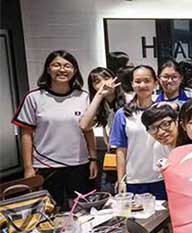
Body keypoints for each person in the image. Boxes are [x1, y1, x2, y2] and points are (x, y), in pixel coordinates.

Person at [12, 50, 98, 210]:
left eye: (67, 66)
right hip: (46, 166)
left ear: (75, 70)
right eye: (56, 65)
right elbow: (26, 134)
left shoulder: (83, 97)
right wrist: (28, 168)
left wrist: (93, 159)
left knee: (82, 211)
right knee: (50, 211)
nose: (62, 70)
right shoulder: (34, 98)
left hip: (79, 164)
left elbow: (88, 131)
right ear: (48, 69)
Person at [109, 65, 165, 200]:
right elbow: (121, 150)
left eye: (147, 81)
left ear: (155, 83)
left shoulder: (162, 111)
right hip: (134, 179)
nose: (142, 85)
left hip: (161, 177)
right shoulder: (122, 114)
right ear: (132, 84)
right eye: (138, 81)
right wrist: (121, 180)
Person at [80, 66, 127, 193]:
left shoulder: (129, 101)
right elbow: (84, 125)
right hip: (111, 157)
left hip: (130, 157)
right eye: (97, 82)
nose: (104, 83)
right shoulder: (101, 106)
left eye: (106, 78)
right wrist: (99, 95)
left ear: (114, 79)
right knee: (108, 195)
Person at [141, 103, 179, 173]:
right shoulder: (159, 147)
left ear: (176, 122)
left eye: (165, 124)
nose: (160, 132)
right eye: (153, 128)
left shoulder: (191, 140)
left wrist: (177, 105)